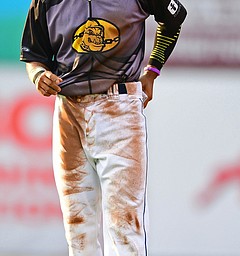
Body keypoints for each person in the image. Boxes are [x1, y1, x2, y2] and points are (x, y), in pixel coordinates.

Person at [20, 0, 186, 255]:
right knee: (78, 228)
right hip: (68, 111)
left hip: (118, 107)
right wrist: (38, 76)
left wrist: (152, 70)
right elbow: (34, 56)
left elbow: (174, 16)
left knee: (125, 225)